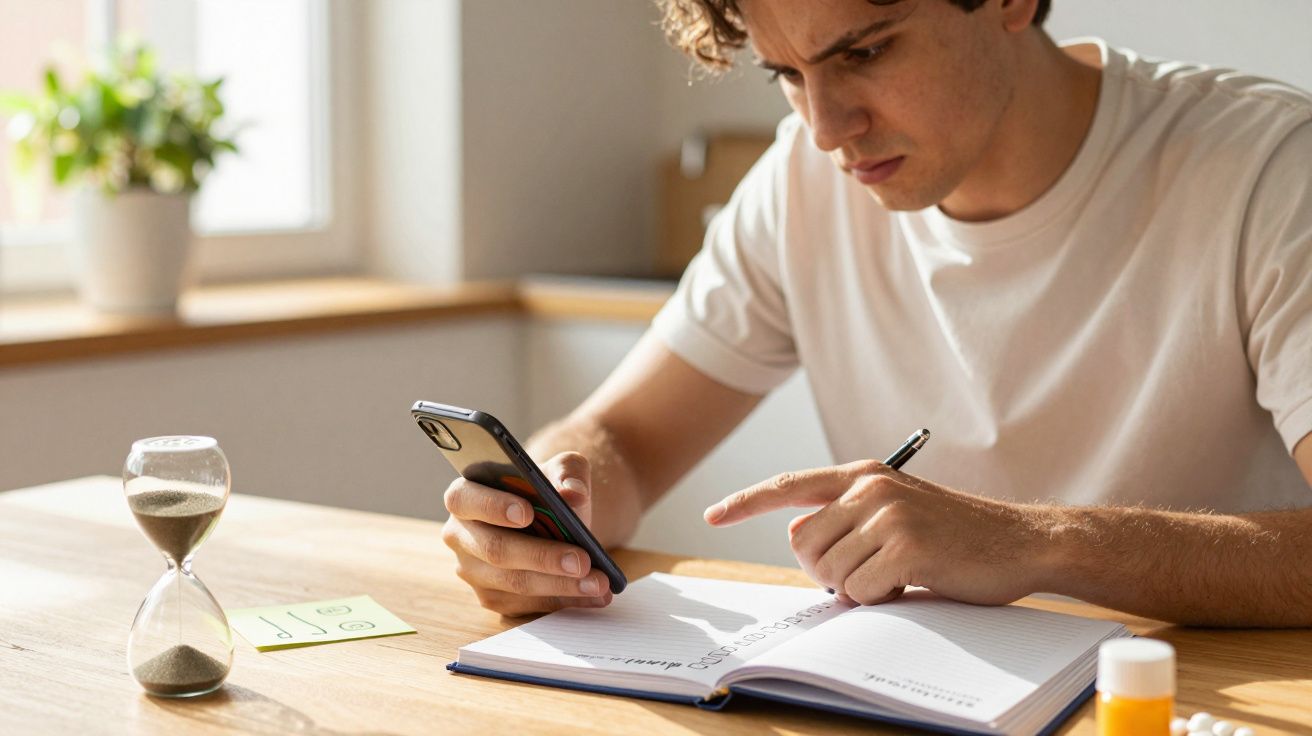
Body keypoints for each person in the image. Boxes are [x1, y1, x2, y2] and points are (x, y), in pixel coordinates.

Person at [441, 0, 1312, 626]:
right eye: (788, 73)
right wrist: (550, 515)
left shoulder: (1270, 172)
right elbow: (620, 442)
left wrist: (1040, 542)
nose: (825, 126)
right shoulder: (801, 183)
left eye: (865, 53)